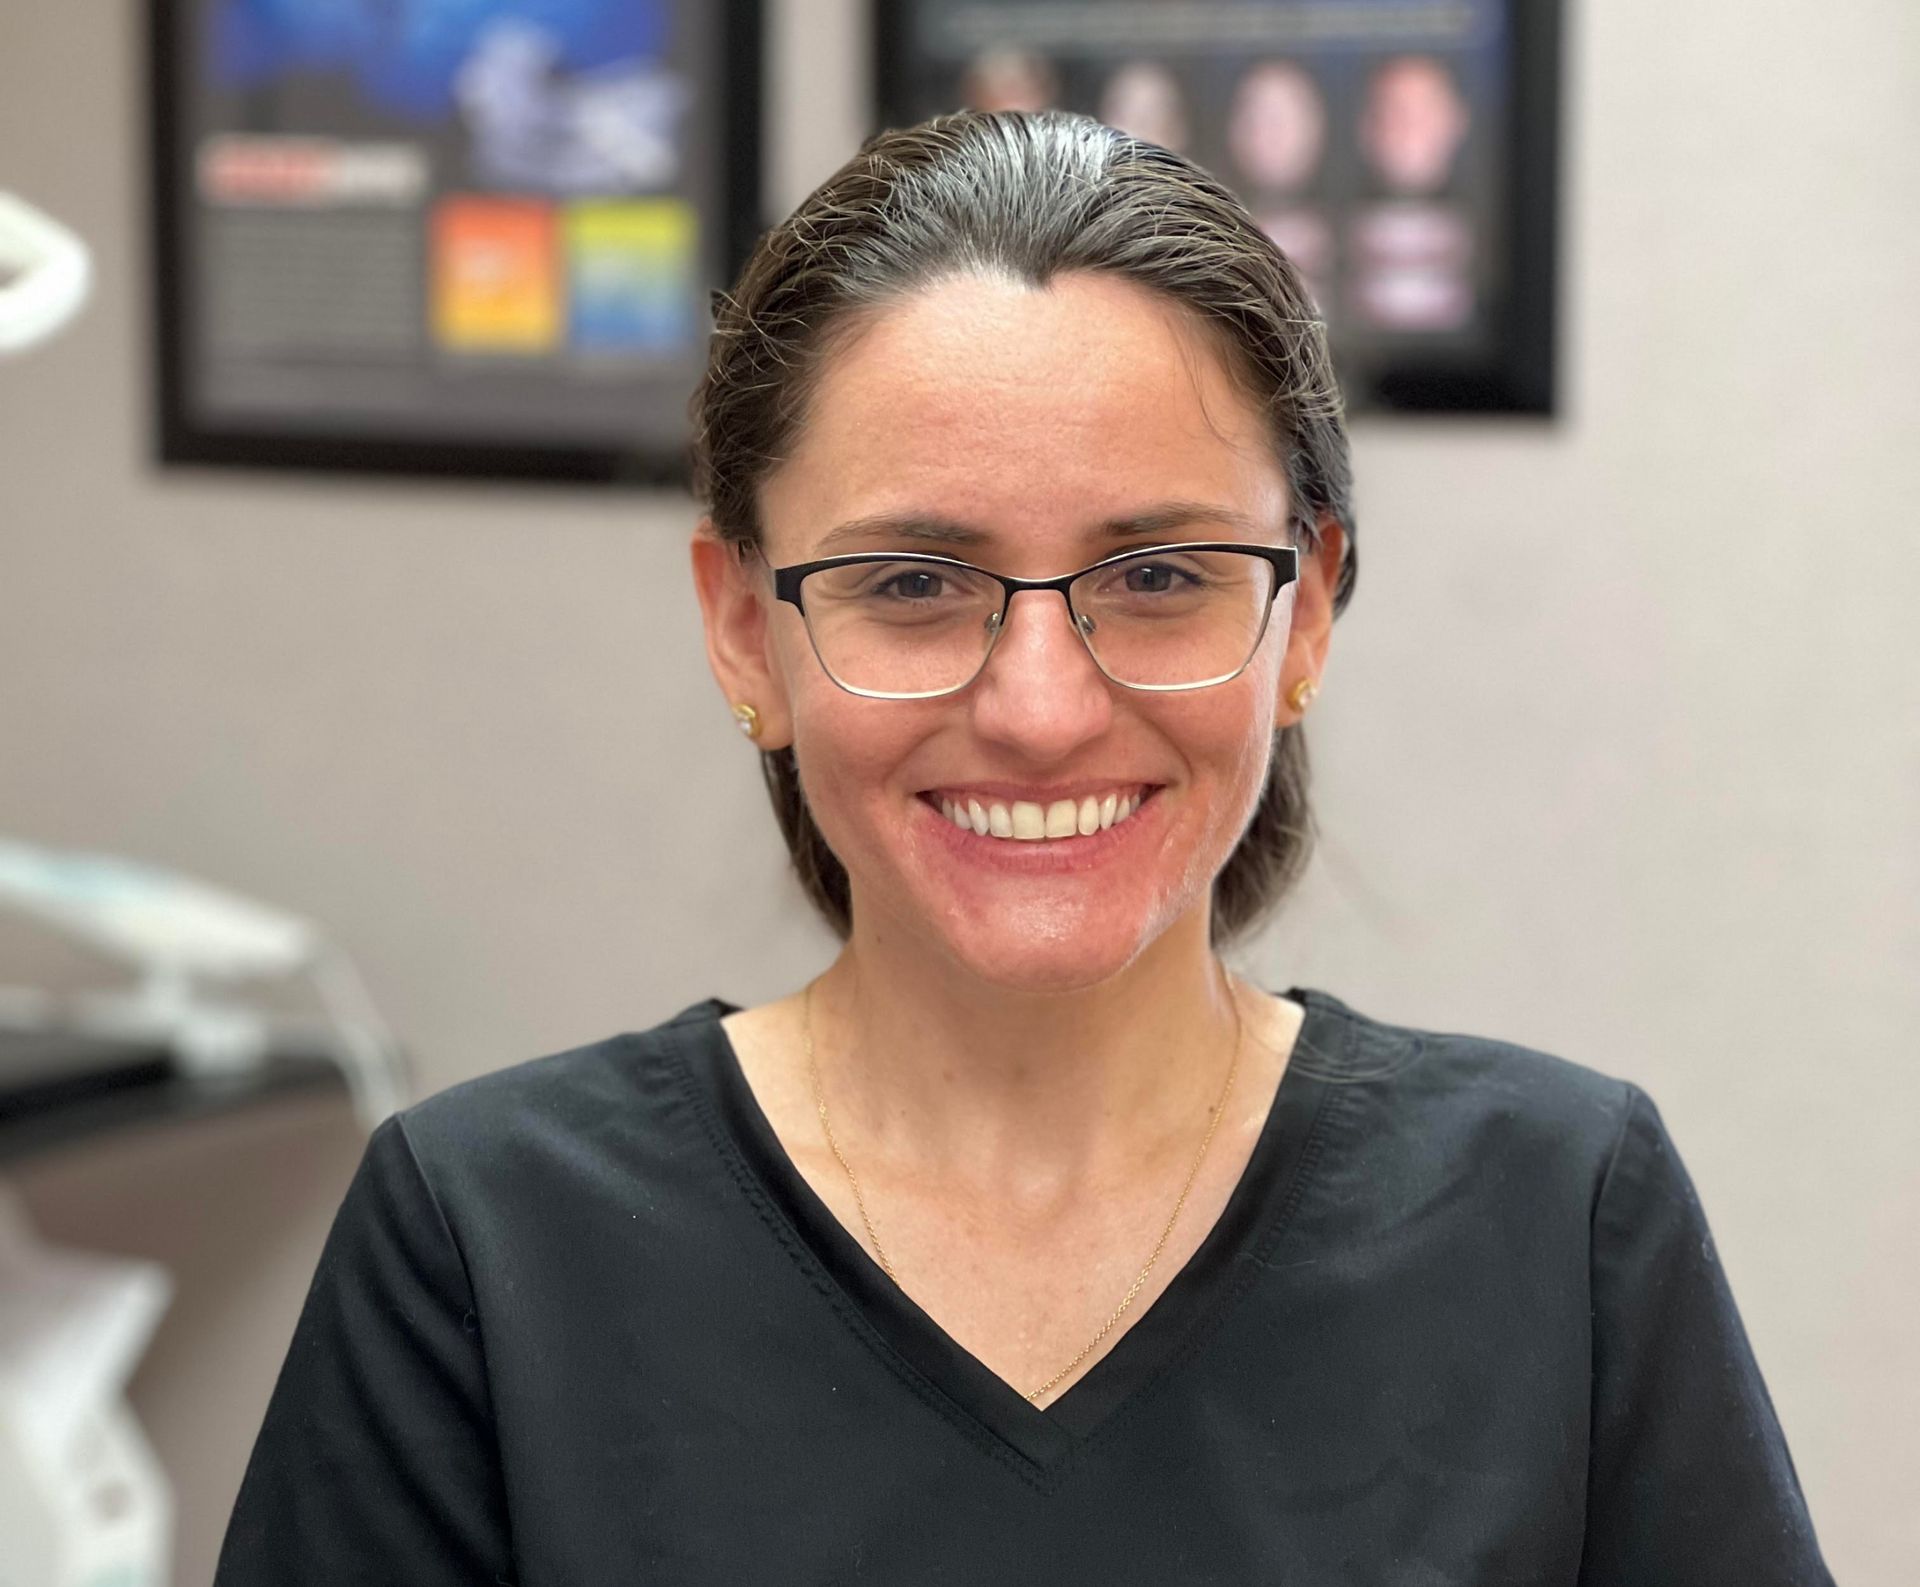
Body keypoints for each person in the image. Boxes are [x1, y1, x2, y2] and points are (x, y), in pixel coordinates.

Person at [214, 112, 1832, 1584]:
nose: (1043, 710)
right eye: (914, 583)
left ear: (1310, 608)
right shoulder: (487, 1247)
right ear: (743, 632)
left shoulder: (1557, 1216)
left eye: (1160, 575)